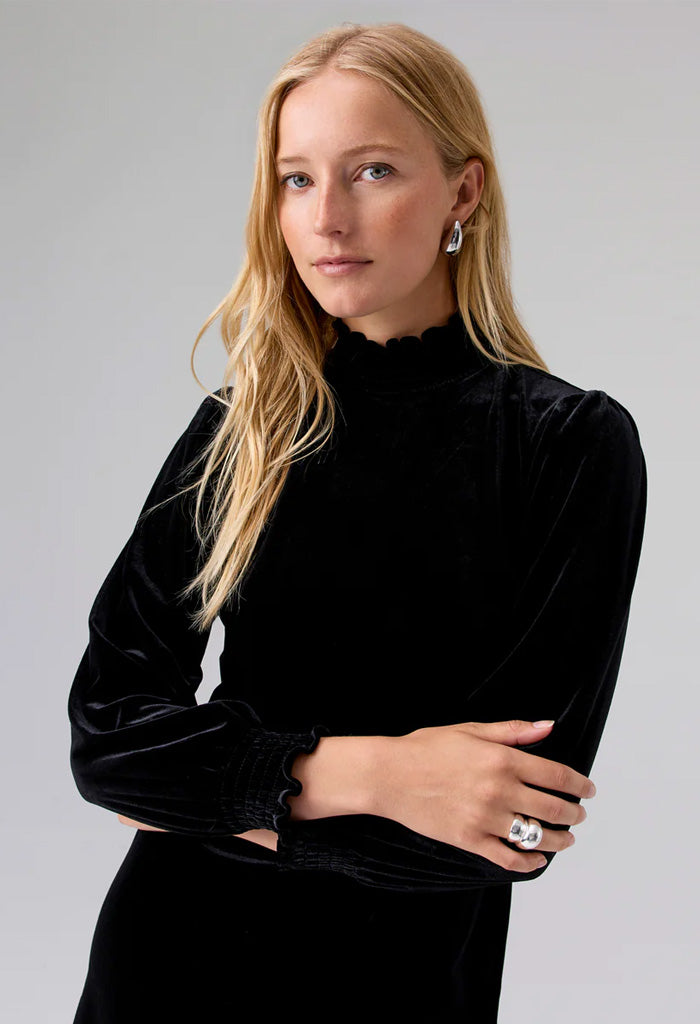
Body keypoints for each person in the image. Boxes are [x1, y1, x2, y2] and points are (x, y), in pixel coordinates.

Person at [67, 21, 647, 1023]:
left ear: (463, 192)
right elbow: (107, 743)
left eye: (372, 171)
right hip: (163, 971)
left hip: (401, 987)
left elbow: (513, 828)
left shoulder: (565, 444)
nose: (327, 218)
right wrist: (382, 773)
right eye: (297, 179)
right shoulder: (243, 430)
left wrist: (208, 796)